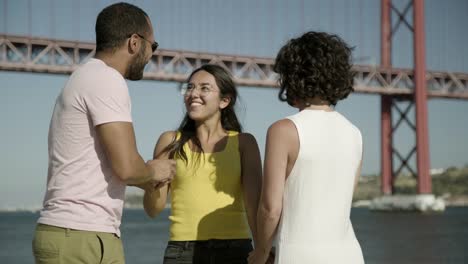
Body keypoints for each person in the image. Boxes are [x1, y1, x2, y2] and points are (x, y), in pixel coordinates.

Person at [32, 3, 175, 264]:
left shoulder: (85, 76)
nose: (152, 55)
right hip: (81, 236)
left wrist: (148, 181)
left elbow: (112, 167)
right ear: (134, 42)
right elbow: (127, 168)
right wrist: (157, 170)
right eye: (153, 47)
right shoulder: (107, 80)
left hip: (73, 234)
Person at [248, 31, 365, 264]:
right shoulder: (355, 133)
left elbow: (271, 208)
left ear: (292, 76)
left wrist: (261, 252)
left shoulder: (284, 130)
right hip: (349, 253)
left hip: (300, 254)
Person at [141, 64, 262, 264]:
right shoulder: (170, 141)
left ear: (224, 100)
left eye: (204, 88)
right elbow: (153, 210)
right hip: (182, 252)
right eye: (189, 87)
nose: (193, 94)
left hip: (236, 251)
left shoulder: (244, 143)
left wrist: (262, 249)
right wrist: (151, 181)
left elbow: (253, 205)